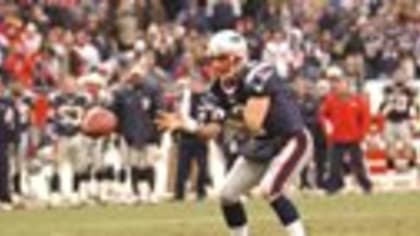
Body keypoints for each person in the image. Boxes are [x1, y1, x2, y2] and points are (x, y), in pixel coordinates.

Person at [156, 30, 313, 236]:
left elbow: (253, 123)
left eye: (220, 58)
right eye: (213, 59)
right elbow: (211, 132)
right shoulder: (216, 91)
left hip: (290, 139)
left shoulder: (259, 74)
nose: (214, 64)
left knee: (270, 189)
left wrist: (226, 114)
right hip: (261, 144)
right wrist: (189, 126)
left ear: (237, 58)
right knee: (228, 195)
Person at [320, 67, 372, 194]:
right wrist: (327, 128)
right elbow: (322, 115)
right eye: (337, 84)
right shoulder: (331, 100)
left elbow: (365, 119)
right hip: (337, 138)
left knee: (357, 164)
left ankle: (365, 185)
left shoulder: (358, 101)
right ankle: (334, 186)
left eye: (341, 84)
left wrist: (362, 134)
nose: (338, 87)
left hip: (354, 137)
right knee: (334, 165)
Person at [0, 81, 18, 211]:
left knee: (3, 169)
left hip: (2, 140)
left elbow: (12, 122)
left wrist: (13, 139)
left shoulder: (7, 103)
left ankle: (4, 197)